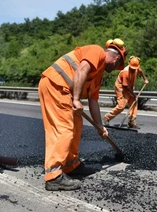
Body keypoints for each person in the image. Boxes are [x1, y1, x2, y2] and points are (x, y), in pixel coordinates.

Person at [38, 38, 127, 191]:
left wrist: (99, 126)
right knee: (63, 128)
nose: (115, 69)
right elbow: (81, 69)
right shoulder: (96, 51)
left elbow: (93, 101)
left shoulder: (98, 75)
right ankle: (53, 176)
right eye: (117, 65)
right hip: (56, 85)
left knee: (76, 126)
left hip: (66, 92)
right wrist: (77, 100)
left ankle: (71, 165)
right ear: (117, 58)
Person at [103, 55, 148, 129]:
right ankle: (107, 117)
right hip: (121, 88)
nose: (134, 70)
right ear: (129, 64)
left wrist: (145, 79)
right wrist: (133, 94)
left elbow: (140, 70)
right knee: (121, 106)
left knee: (134, 102)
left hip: (129, 88)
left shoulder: (136, 67)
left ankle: (132, 122)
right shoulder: (125, 72)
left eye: (135, 68)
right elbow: (125, 86)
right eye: (132, 68)